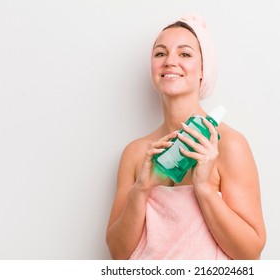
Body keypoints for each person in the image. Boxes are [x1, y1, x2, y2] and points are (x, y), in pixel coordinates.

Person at [106, 14, 266, 260]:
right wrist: (141, 189)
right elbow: (118, 254)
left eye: (185, 54)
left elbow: (250, 253)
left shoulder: (229, 145)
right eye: (160, 53)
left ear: (203, 70)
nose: (170, 61)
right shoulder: (136, 153)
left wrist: (204, 188)